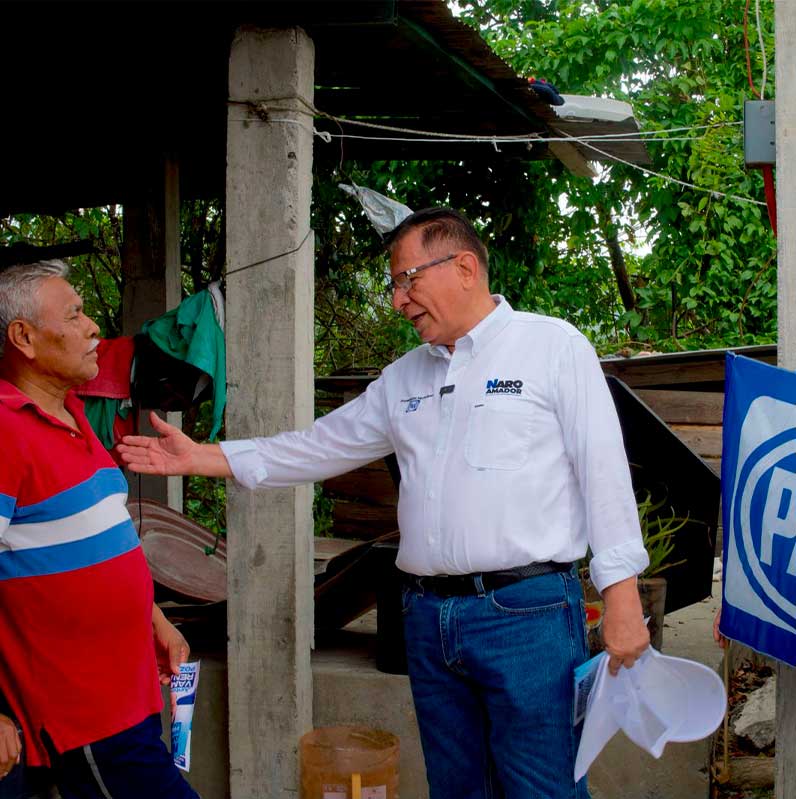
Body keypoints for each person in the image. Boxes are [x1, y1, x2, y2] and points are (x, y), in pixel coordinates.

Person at [118, 207, 651, 799]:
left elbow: (602, 469)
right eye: (396, 284)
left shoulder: (551, 347)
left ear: (465, 267)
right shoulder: (404, 379)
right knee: (457, 789)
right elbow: (317, 447)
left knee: (542, 788)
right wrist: (201, 458)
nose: (398, 300)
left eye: (407, 279)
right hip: (427, 620)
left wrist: (621, 595)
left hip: (524, 615)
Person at [0, 261, 199, 799]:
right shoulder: (3, 430)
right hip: (82, 711)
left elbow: (106, 537)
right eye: (76, 315)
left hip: (131, 692)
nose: (94, 329)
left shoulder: (70, 412)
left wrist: (153, 620)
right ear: (25, 338)